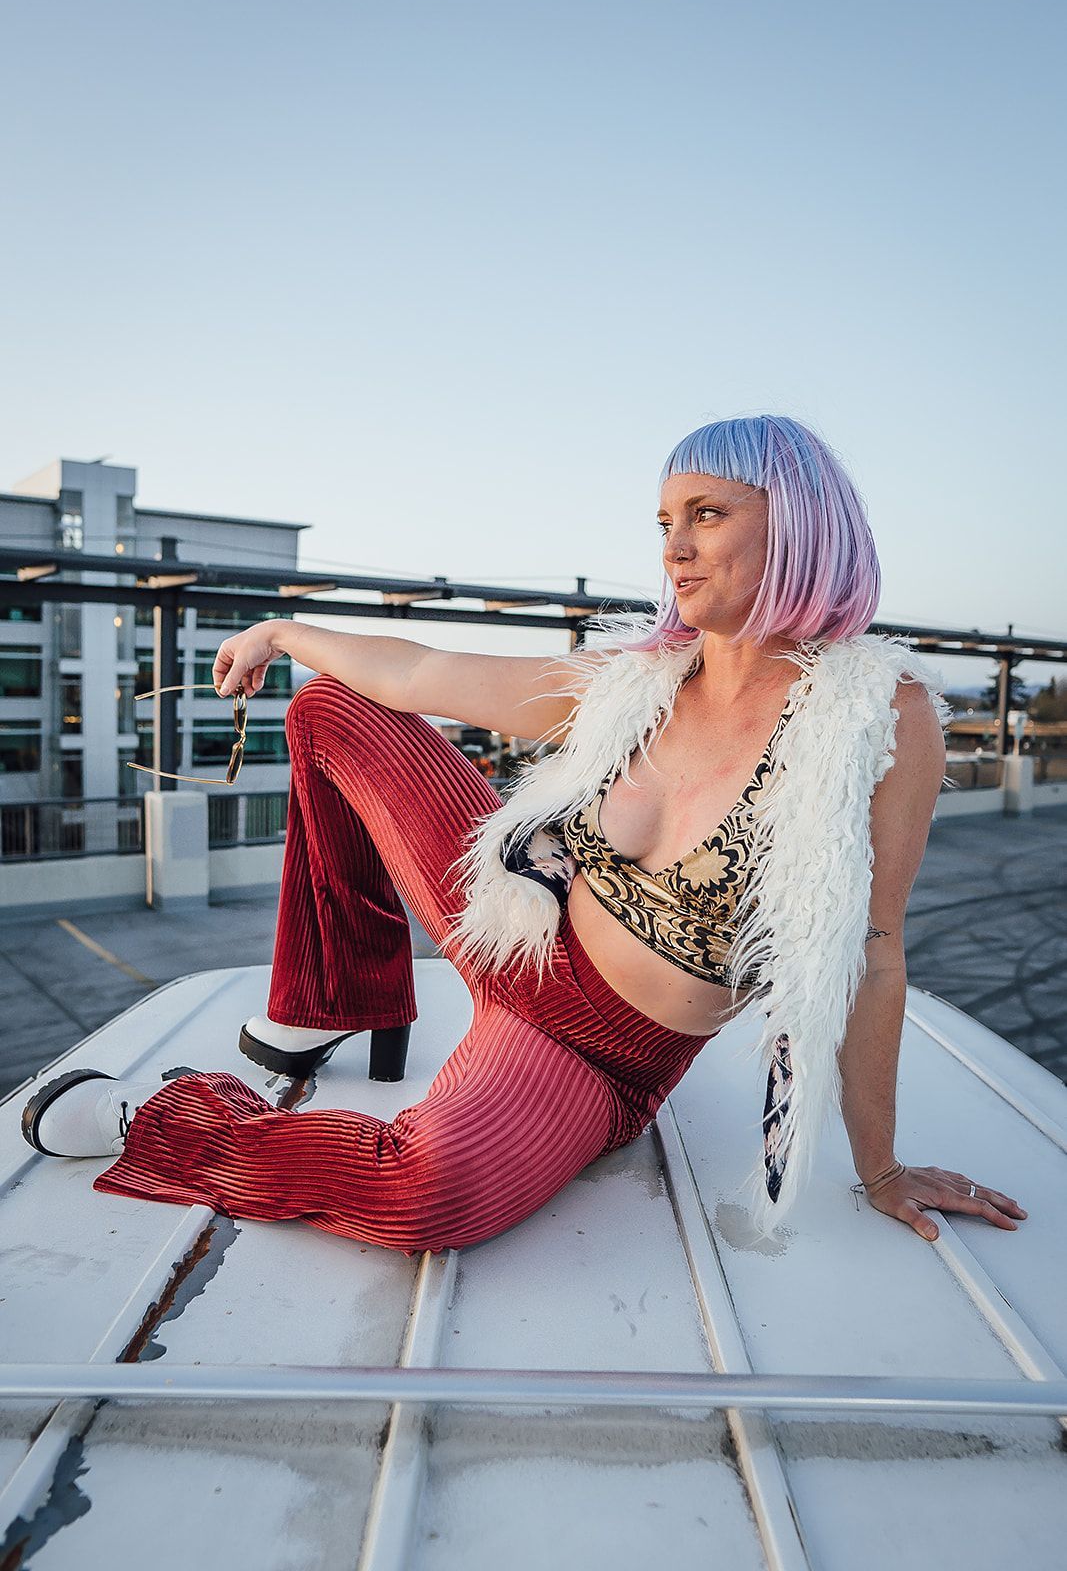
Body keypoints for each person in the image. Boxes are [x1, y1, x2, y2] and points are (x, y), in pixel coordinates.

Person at [22, 414, 1027, 1251]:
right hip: (513, 924)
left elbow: (871, 950)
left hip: (588, 1049)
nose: (672, 548)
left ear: (800, 529)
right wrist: (280, 632)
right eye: (664, 521)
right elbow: (415, 675)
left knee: (424, 1197)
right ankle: (331, 998)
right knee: (331, 709)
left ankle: (143, 1116)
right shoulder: (636, 680)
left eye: (706, 515)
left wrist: (881, 1164)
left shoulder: (873, 714)